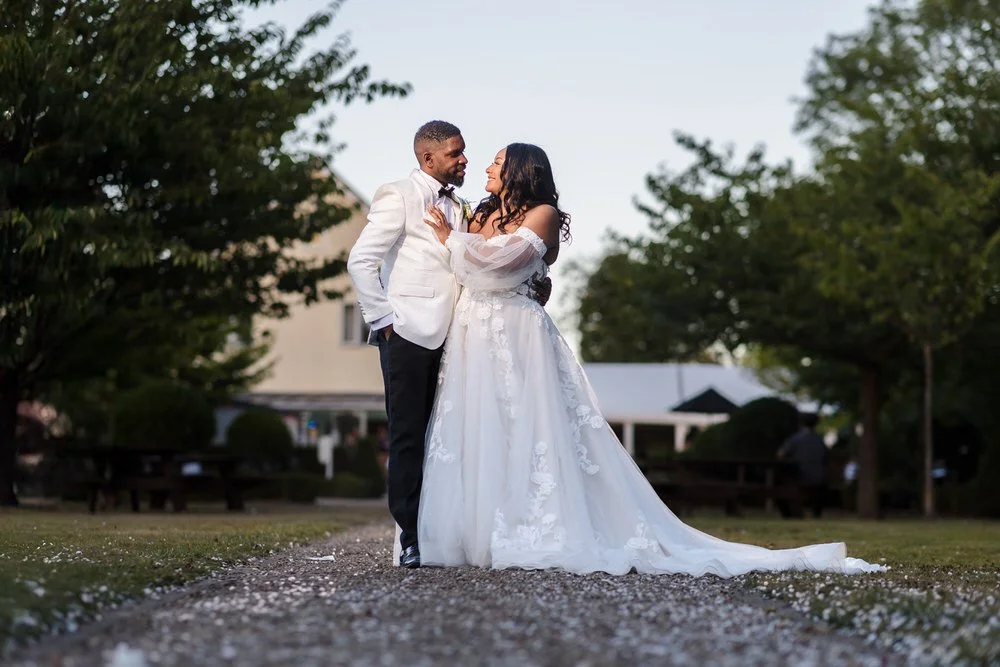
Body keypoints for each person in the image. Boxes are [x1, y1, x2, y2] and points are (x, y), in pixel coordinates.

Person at [417, 142, 884, 576]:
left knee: (528, 425)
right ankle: (479, 531)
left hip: (519, 337)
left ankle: (531, 527)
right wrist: (462, 249)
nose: (487, 167)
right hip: (472, 334)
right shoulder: (479, 215)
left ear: (521, 170)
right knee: (480, 425)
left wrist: (452, 243)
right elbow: (473, 272)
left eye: (498, 162)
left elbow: (501, 265)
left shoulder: (543, 214)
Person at [347, 122, 549, 569]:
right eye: (456, 153)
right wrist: (384, 322)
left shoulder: (461, 206)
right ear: (429, 158)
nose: (464, 160)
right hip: (408, 332)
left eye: (464, 152)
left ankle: (449, 532)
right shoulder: (398, 195)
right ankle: (410, 540)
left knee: (450, 438)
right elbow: (361, 261)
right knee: (407, 436)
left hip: (461, 336)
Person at [777, 413, 830, 518]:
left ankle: (789, 515)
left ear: (800, 423)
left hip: (800, 477)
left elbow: (781, 454)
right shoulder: (820, 440)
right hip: (819, 478)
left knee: (780, 487)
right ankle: (816, 514)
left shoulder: (795, 439)